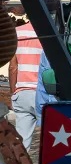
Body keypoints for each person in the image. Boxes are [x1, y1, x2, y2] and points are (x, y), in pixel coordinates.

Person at [8, 20, 42, 151]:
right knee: (52, 142)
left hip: (21, 92)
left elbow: (13, 67)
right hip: (42, 93)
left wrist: (13, 92)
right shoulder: (47, 33)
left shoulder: (16, 32)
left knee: (22, 143)